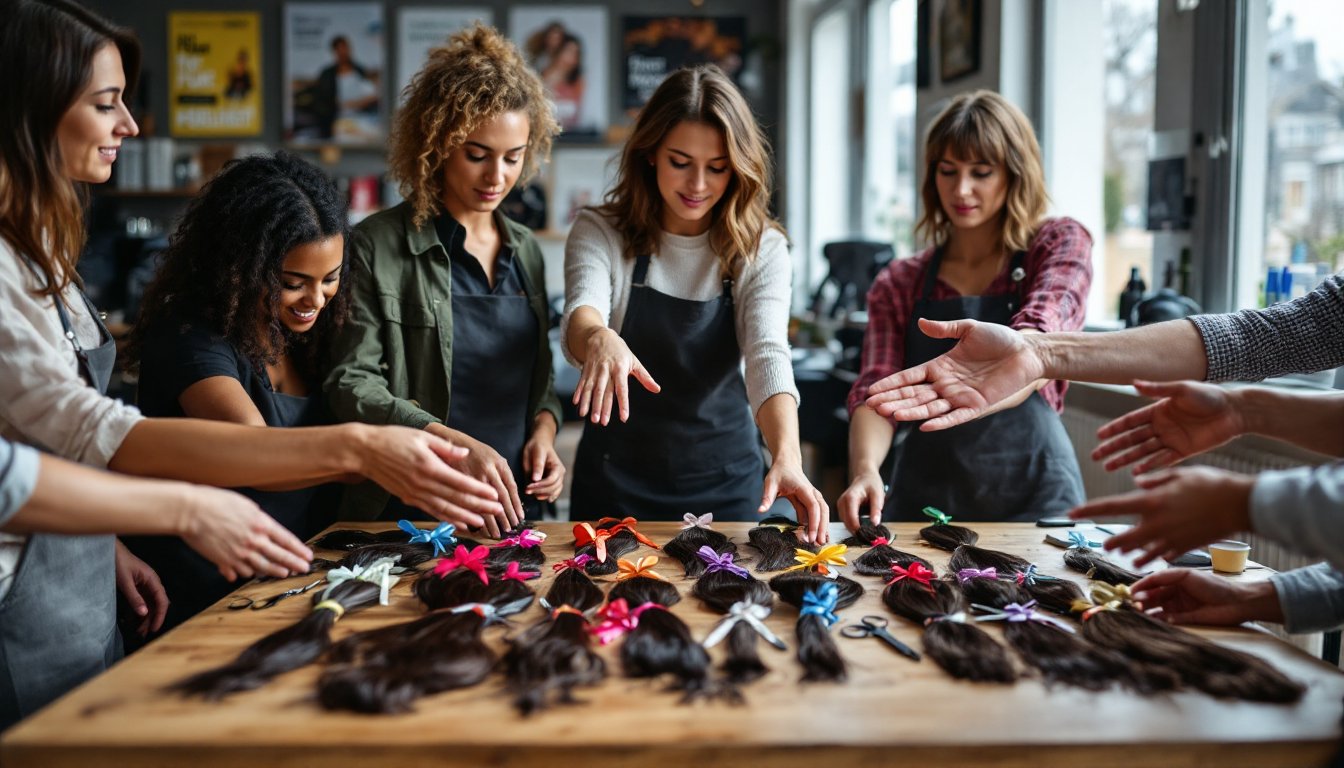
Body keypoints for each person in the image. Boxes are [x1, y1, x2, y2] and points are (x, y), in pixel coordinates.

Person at [0, 0, 498, 727]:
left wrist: (103, 545)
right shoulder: (177, 332)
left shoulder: (45, 262)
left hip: (91, 587)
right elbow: (84, 430)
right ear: (30, 113)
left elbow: (46, 435)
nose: (131, 125)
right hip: (36, 597)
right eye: (107, 104)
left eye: (326, 284)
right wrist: (362, 451)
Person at [864, 266, 1344, 633]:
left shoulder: (1055, 243)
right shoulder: (902, 278)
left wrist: (1245, 501)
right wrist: (1264, 598)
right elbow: (1273, 333)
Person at [562, 64, 828, 543]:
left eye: (718, 166)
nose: (698, 184)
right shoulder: (601, 230)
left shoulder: (760, 246)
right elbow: (583, 312)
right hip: (614, 484)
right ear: (650, 155)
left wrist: (786, 455)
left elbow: (768, 351)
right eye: (680, 161)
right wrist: (599, 337)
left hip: (725, 483)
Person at [325, 24, 565, 537]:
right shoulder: (375, 245)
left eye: (513, 157)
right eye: (476, 154)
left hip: (516, 512)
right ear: (436, 145)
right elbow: (350, 382)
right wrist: (452, 442)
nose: (496, 177)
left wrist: (545, 432)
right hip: (410, 512)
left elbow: (539, 381)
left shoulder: (528, 251)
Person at [838, 90, 1092, 531]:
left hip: (1036, 495)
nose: (961, 190)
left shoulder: (1056, 246)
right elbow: (878, 391)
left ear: (1015, 174)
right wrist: (865, 470)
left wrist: (1008, 363)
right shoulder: (900, 281)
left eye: (981, 172)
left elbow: (1040, 340)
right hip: (926, 497)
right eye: (948, 171)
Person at [121, 151, 351, 635]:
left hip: (282, 581)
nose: (315, 300)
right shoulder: (190, 336)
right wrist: (368, 454)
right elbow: (256, 452)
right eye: (293, 284)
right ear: (241, 267)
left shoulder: (307, 332)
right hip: (200, 594)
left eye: (330, 279)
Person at [540, 34, 584, 131]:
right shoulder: (542, 75)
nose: (572, 58)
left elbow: (575, 112)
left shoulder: (578, 82)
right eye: (569, 51)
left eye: (576, 54)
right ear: (559, 51)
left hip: (568, 133)